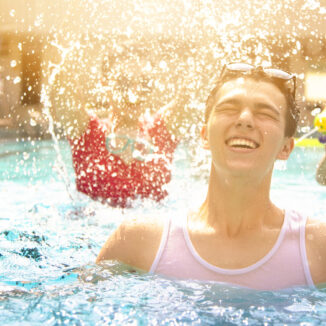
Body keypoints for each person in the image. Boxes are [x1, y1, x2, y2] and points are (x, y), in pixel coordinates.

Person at [96, 63, 326, 290]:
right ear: (204, 136)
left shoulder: (318, 248)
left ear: (286, 148)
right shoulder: (137, 243)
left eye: (265, 113)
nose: (244, 119)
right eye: (229, 109)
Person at [53, 68, 186, 207]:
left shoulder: (161, 131)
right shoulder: (87, 131)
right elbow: (60, 79)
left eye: (144, 83)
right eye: (125, 82)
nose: (135, 92)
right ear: (105, 85)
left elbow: (199, 89)